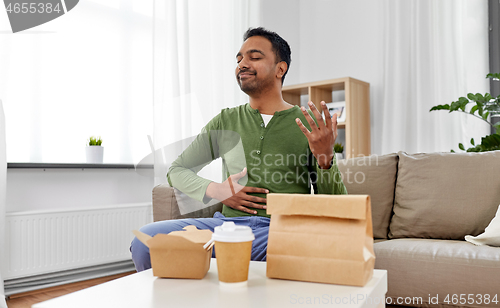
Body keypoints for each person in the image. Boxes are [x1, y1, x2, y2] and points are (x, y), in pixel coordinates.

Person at [131, 27, 347, 271]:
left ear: (280, 69)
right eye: (239, 59)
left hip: (280, 231)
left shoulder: (309, 124)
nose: (242, 64)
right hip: (227, 230)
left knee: (327, 245)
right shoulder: (226, 121)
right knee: (146, 241)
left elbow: (338, 205)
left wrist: (325, 157)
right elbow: (177, 170)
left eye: (254, 57)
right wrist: (216, 190)